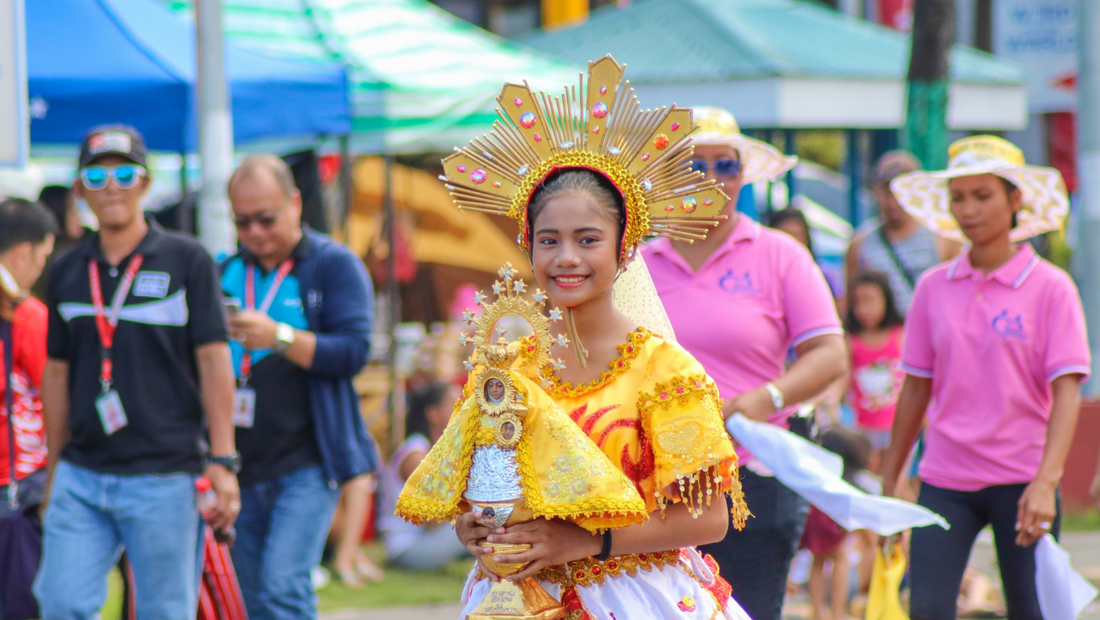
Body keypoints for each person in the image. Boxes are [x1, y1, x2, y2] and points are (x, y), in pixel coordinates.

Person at [446, 58, 753, 619]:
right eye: (548, 240)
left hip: (635, 596)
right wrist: (474, 524)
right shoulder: (506, 371)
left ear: (625, 248)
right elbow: (482, 486)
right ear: (529, 247)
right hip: (517, 599)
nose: (566, 258)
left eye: (587, 239)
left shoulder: (665, 370)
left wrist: (589, 541)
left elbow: (711, 519)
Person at [644, 106, 847, 620]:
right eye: (694, 165)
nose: (711, 179)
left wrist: (766, 399)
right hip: (654, 480)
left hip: (752, 476)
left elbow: (829, 354)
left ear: (743, 175)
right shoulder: (636, 264)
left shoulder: (779, 254)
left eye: (726, 165)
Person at [35, 125, 240, 619]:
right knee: (60, 602)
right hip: (82, 475)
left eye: (125, 173)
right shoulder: (66, 270)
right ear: (80, 188)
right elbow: (57, 376)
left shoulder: (186, 259)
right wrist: (53, 471)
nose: (111, 186)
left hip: (165, 475)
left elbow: (215, 362)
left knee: (164, 612)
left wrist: (223, 459)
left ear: (145, 183)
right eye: (96, 174)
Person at [880, 136, 1089, 620]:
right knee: (927, 609)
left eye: (982, 195)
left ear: (1016, 200)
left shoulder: (1051, 288)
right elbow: (915, 387)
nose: (968, 210)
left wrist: (1045, 483)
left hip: (1023, 481)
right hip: (945, 478)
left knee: (1030, 611)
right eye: (958, 198)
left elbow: (1066, 394)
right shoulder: (934, 287)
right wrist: (891, 478)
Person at [221, 154, 379, 620]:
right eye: (242, 221)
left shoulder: (333, 265)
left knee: (283, 589)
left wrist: (279, 337)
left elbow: (353, 352)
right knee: (249, 600)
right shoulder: (223, 269)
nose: (254, 232)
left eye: (265, 218)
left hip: (309, 461)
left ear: (294, 203)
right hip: (240, 464)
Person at [0, 198, 56, 617]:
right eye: (43, 258)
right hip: (19, 487)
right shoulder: (25, 314)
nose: (41, 269)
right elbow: (54, 394)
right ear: (23, 252)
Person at [846, 151, 960, 314]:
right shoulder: (859, 244)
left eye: (902, 193)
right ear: (876, 191)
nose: (894, 203)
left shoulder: (942, 238)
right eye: (888, 192)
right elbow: (850, 304)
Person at [378, 380, 468, 570]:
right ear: (433, 414)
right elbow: (432, 520)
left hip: (428, 540)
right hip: (409, 550)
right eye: (456, 403)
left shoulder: (441, 452)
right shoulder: (415, 455)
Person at [800, 428, 872, 620]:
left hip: (815, 516)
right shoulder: (846, 481)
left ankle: (817, 612)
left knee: (818, 559)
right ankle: (837, 612)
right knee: (840, 558)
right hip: (832, 519)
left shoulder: (816, 476)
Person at [845, 270, 905, 470]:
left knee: (897, 481)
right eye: (857, 303)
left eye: (870, 301)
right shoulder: (852, 340)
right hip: (863, 427)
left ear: (886, 300)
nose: (863, 310)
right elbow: (842, 379)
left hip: (898, 427)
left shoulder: (900, 335)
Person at [769, 207, 845, 304]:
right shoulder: (760, 276)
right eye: (785, 236)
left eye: (796, 236)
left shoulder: (823, 275)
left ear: (806, 238)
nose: (791, 243)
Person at [32, 185, 89, 300]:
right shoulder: (53, 255)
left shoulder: (88, 240)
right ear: (58, 211)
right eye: (72, 210)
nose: (79, 216)